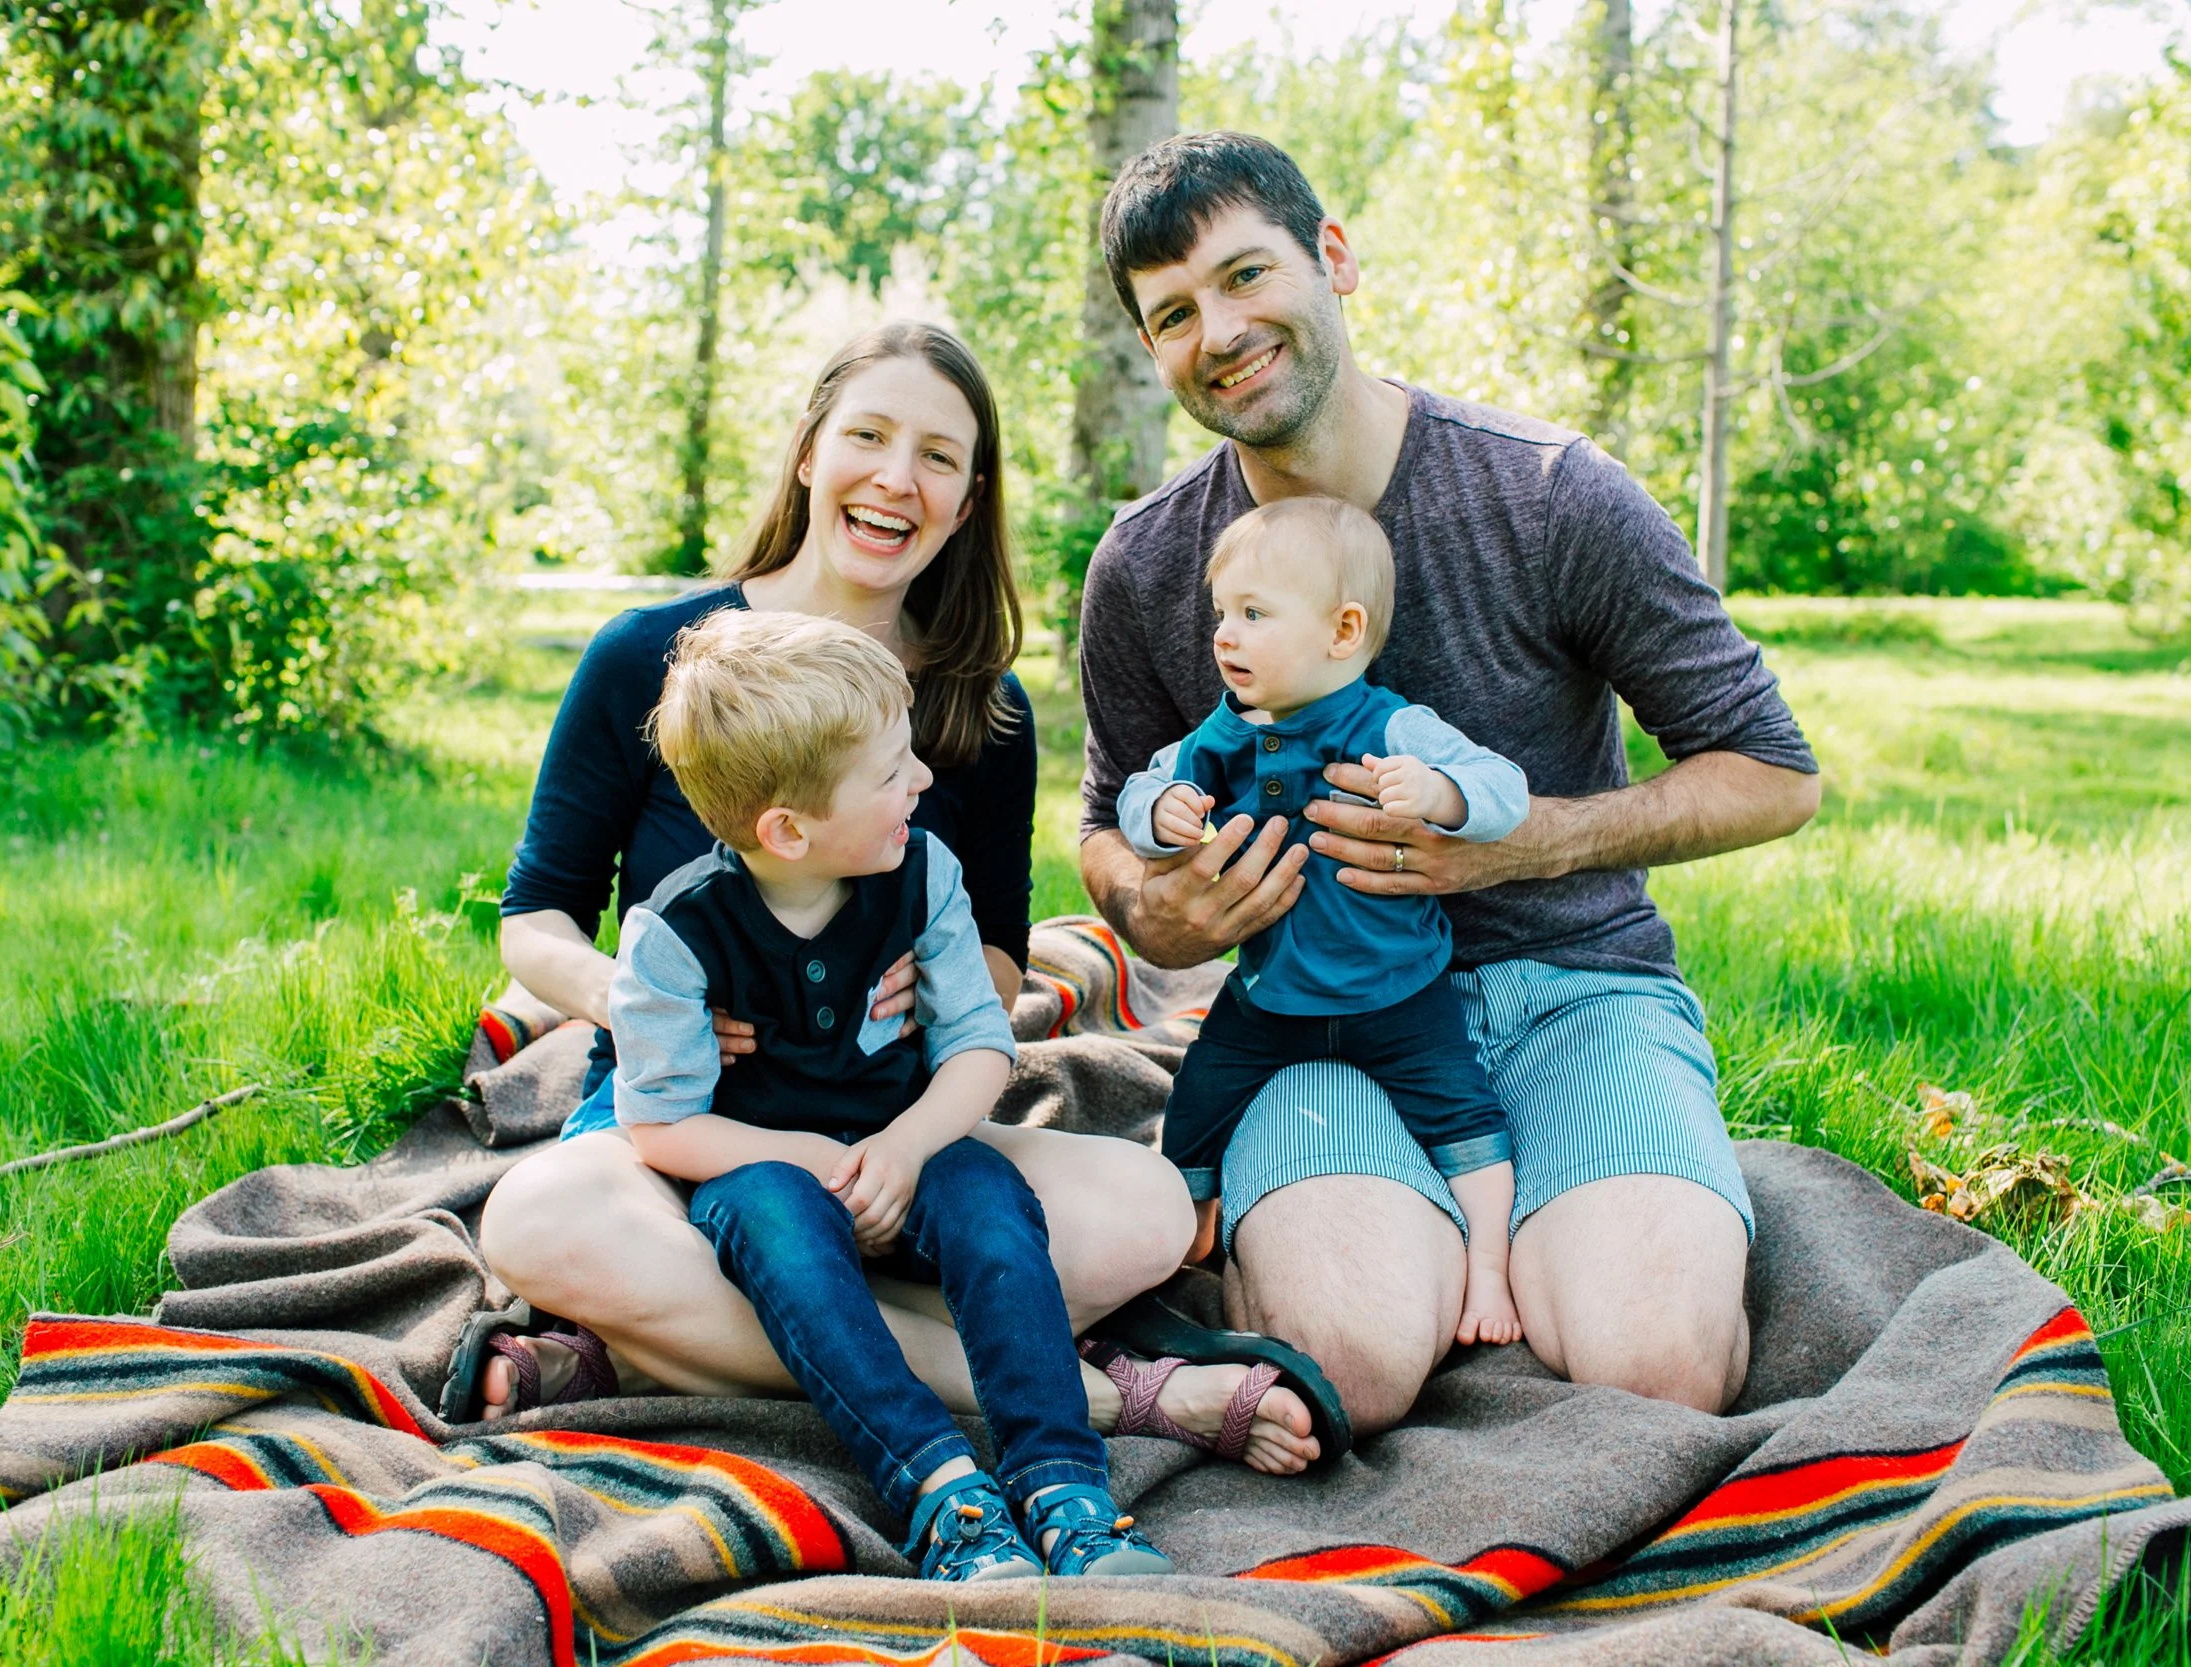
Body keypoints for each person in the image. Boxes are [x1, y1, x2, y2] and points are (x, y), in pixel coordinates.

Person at [471, 319, 1323, 1474]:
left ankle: (651, 1344)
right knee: (538, 1217)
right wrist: (632, 998)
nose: (894, 477)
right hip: (689, 1136)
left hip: (896, 1132)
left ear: (968, 500)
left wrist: (940, 993)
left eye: (936, 455)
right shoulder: (655, 659)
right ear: (810, 453)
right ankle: (1097, 1394)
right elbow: (536, 918)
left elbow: (1005, 963)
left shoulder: (987, 711)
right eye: (866, 435)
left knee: (1151, 1208)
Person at [1075, 133, 1824, 1438]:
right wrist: (1158, 909)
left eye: (1248, 274)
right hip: (1312, 1011)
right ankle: (1422, 1253)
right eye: (1175, 313)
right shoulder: (1145, 567)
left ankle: (1564, 1227)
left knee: (1660, 1366)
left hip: (1575, 987)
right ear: (1154, 352)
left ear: (1337, 258)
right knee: (1348, 1367)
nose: (1222, 329)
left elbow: (1772, 774)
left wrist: (1517, 845)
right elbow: (1101, 829)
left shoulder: (1547, 494)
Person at [610, 609, 1172, 1580]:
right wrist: (809, 1160)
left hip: (905, 1132)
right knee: (783, 1238)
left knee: (992, 1206)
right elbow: (655, 1119)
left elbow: (979, 1048)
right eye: (889, 771)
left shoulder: (923, 871)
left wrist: (906, 1146)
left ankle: (1061, 1481)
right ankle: (942, 1490)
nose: (921, 779)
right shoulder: (675, 931)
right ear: (785, 828)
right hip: (763, 1161)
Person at [1115, 495, 1530, 1343]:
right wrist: (1160, 811)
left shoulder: (1393, 725)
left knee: (1468, 1119)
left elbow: (1505, 790)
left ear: (1343, 632)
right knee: (1193, 1103)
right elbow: (1139, 786)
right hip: (1269, 996)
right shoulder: (1224, 735)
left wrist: (1441, 794)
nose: (1224, 636)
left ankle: (1488, 1260)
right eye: (1222, 614)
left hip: (1398, 992)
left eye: (1254, 615)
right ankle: (1186, 1229)